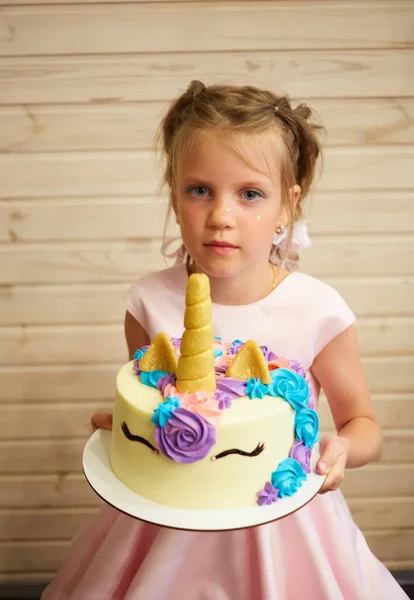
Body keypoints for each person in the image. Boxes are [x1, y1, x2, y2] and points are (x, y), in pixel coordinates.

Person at [42, 80, 408, 599]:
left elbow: (363, 424)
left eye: (251, 194)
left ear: (288, 206)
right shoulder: (148, 302)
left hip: (285, 526)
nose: (221, 215)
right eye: (200, 190)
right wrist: (127, 426)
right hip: (164, 521)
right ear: (175, 194)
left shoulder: (318, 310)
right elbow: (161, 404)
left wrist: (342, 447)